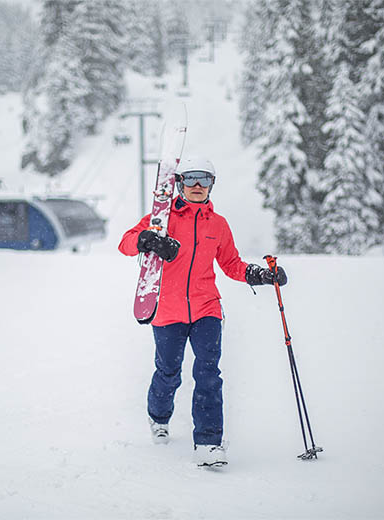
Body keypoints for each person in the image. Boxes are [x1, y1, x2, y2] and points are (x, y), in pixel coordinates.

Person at [118, 155, 288, 467]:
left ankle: (209, 443)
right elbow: (125, 243)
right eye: (191, 178)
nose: (198, 185)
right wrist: (147, 240)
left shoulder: (218, 225)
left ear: (212, 184)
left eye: (205, 179)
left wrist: (260, 275)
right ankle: (158, 416)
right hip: (167, 309)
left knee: (208, 373)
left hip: (206, 308)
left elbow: (231, 264)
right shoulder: (162, 218)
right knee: (168, 372)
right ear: (179, 183)